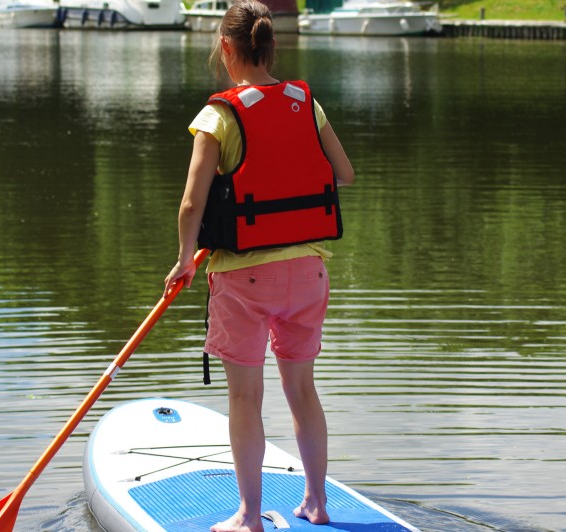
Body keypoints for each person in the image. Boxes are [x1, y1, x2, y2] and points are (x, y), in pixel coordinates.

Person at [164, 1, 355, 530]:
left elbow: (189, 204)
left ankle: (249, 516)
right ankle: (316, 503)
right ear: (271, 47)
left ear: (226, 48)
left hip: (243, 276)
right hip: (309, 273)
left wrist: (184, 261)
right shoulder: (307, 103)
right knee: (302, 389)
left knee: (246, 395)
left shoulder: (218, 115)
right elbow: (344, 174)